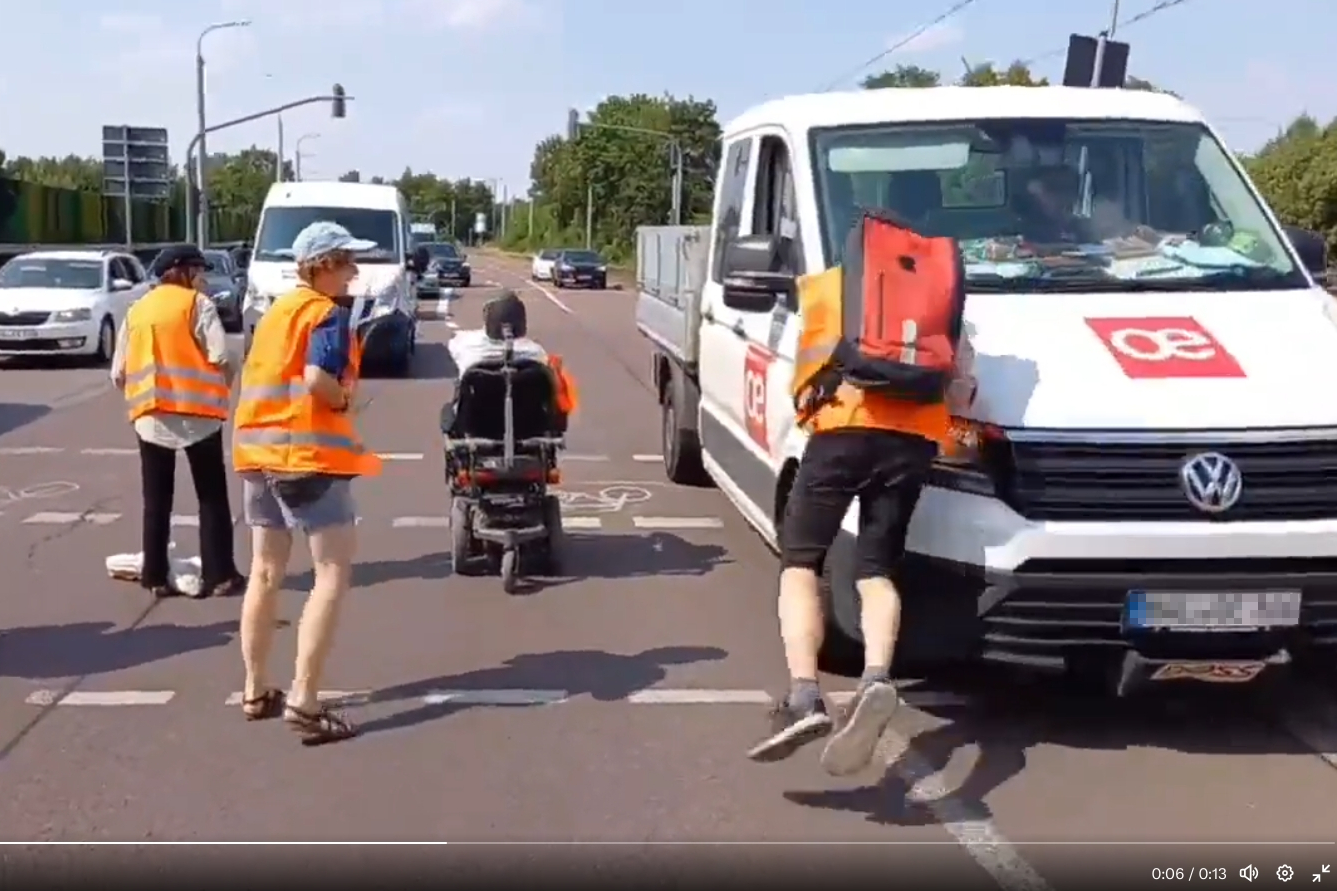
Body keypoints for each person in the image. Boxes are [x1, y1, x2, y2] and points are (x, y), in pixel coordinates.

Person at [746, 232, 971, 776]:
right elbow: (963, 387)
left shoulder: (828, 288)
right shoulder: (943, 294)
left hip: (842, 432)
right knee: (875, 567)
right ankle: (875, 677)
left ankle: (804, 695)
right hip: (914, 441)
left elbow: (802, 379)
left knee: (800, 562)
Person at [231, 221, 383, 745]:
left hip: (255, 453)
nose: (354, 273)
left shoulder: (276, 312)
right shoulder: (325, 315)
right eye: (346, 263)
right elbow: (318, 380)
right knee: (331, 572)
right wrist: (344, 402)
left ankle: (255, 689)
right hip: (305, 459)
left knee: (265, 571)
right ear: (321, 267)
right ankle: (305, 698)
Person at [111, 244, 245, 599]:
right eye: (199, 271)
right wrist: (225, 385)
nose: (203, 278)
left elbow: (118, 371)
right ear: (182, 272)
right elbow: (219, 356)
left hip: (151, 416)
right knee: (211, 496)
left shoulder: (137, 310)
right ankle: (220, 575)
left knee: (156, 499)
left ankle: (154, 575)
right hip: (198, 415)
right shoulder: (197, 305)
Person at [442, 291, 579, 433]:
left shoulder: (465, 345)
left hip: (477, 427)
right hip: (529, 428)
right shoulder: (536, 352)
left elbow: (453, 347)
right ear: (522, 322)